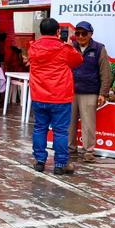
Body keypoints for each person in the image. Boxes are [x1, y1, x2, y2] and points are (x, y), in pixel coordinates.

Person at [29, 17, 84, 174]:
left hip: (39, 95)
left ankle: (39, 161)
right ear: (58, 31)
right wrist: (69, 44)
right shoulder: (64, 48)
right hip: (60, 96)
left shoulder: (33, 47)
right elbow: (78, 60)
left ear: (41, 31)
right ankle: (60, 164)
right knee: (60, 132)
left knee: (40, 128)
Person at [69, 21, 112, 162]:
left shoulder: (99, 49)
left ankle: (88, 151)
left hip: (89, 91)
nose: (80, 36)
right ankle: (70, 148)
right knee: (69, 122)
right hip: (70, 91)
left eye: (84, 33)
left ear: (91, 34)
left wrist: (103, 93)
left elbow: (105, 72)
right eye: (78, 33)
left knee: (88, 123)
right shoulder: (71, 47)